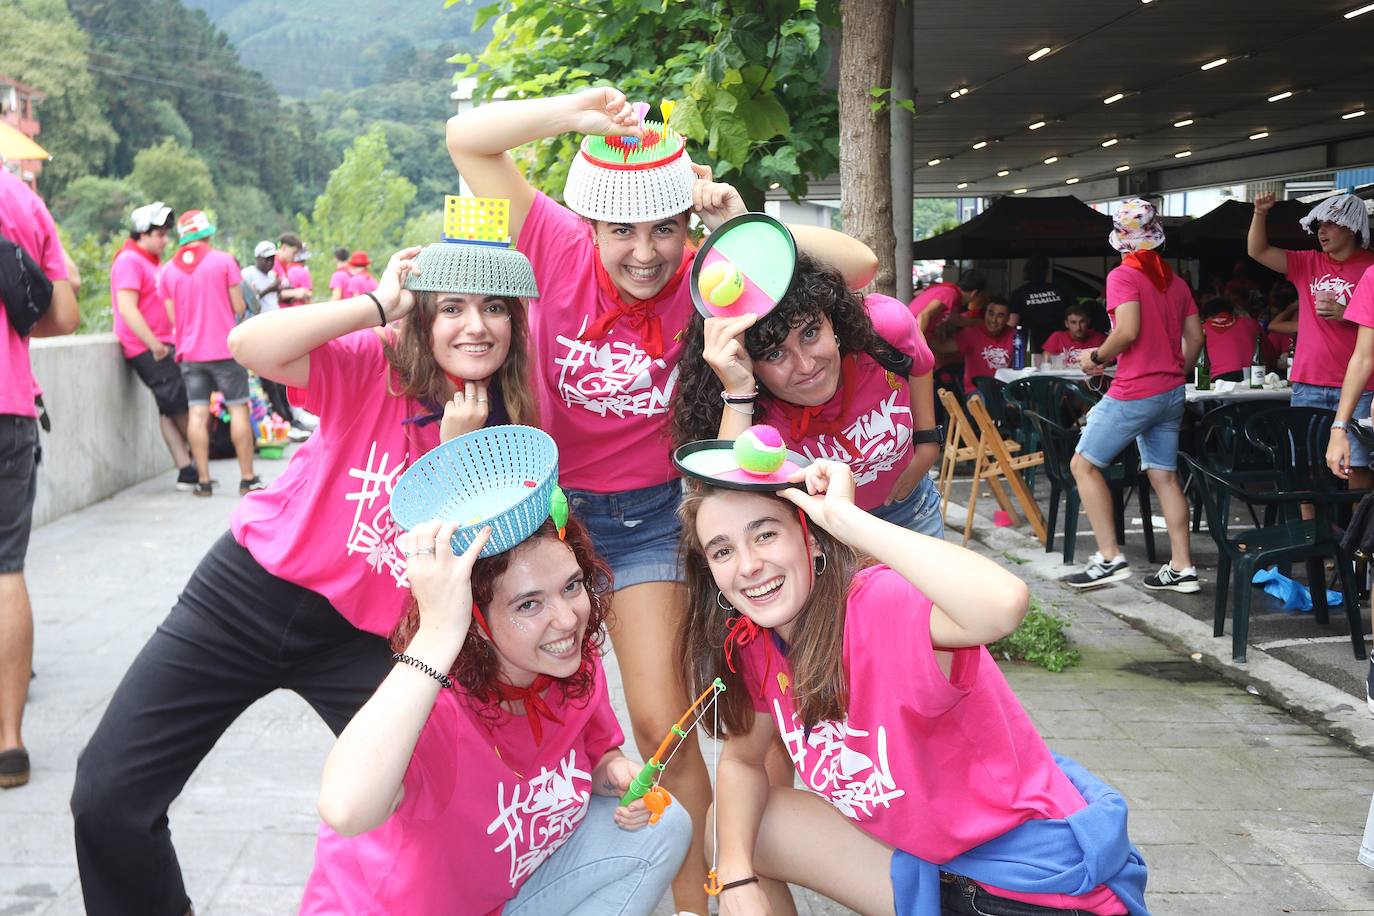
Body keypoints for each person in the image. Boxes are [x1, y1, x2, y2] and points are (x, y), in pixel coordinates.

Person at [446, 85, 877, 915]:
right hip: (550, 514)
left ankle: (695, 902)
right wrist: (575, 114)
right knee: (524, 712)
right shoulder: (546, 239)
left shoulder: (714, 274)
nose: (645, 252)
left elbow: (857, 264)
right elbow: (467, 140)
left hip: (650, 517)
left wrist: (737, 226)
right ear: (591, 226)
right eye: (623, 231)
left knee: (658, 720)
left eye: (664, 228)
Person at [69, 239, 541, 916]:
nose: (475, 325)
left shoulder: (513, 423)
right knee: (107, 796)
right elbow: (249, 344)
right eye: (452, 307)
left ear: (514, 325)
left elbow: (473, 567)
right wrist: (377, 304)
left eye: (494, 308)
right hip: (246, 595)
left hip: (368, 639)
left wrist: (456, 457)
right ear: (421, 317)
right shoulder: (372, 363)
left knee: (436, 800)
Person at [675, 452, 1146, 915]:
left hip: (1029, 885)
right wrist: (736, 881)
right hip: (928, 867)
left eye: (766, 534)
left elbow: (1003, 605)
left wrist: (847, 519)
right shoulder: (759, 641)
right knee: (732, 830)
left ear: (811, 539)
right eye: (723, 550)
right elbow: (741, 761)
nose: (749, 565)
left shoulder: (875, 603)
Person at [302, 503, 690, 914]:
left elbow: (594, 751)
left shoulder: (566, 664)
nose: (566, 619)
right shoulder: (438, 709)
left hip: (499, 896)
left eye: (572, 586)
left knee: (662, 824)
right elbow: (345, 810)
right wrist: (437, 633)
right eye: (529, 605)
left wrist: (609, 768)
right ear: (475, 623)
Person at [674, 255, 944, 537]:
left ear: (833, 321)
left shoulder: (883, 329)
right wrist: (739, 391)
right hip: (824, 538)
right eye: (775, 353)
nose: (806, 366)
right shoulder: (750, 411)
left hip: (911, 513)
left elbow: (919, 363)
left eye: (811, 333)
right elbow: (727, 513)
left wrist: (927, 445)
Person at [1065, 198, 1203, 593]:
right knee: (1164, 475)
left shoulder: (1123, 276)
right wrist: (1177, 369)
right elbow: (1196, 337)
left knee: (1083, 465)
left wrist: (1094, 357)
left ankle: (1109, 557)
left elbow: (1125, 331)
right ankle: (1182, 568)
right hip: (1172, 391)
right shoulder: (1175, 283)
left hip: (1135, 389)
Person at [0, 164, 80, 790]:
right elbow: (63, 314)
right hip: (9, 405)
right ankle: (10, 744)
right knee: (6, 570)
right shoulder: (19, 198)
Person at [1253, 191, 1374, 489]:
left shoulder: (1370, 269)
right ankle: (1311, 533)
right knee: (1305, 466)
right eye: (1319, 224)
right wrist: (1260, 213)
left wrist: (1348, 313)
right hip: (1309, 381)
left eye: (1331, 224)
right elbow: (1258, 251)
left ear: (1353, 227)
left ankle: (1357, 533)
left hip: (1362, 385)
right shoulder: (1307, 263)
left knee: (1357, 468)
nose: (1321, 230)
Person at [158, 209, 262, 496]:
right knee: (238, 407)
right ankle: (247, 478)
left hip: (190, 354)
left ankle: (203, 480)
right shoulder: (223, 261)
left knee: (197, 413)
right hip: (225, 350)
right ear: (207, 233)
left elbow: (171, 318)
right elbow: (239, 307)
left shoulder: (167, 271)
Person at [111, 201, 195, 489]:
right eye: (159, 234)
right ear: (141, 234)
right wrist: (154, 346)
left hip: (161, 344)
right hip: (146, 348)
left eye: (165, 234)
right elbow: (127, 308)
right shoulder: (129, 261)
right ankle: (200, 459)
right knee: (179, 406)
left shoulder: (149, 262)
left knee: (168, 408)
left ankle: (187, 470)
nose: (164, 240)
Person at [1198, 297, 1270, 381]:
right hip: (1253, 377)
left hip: (1218, 381)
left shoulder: (1200, 329)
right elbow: (1270, 357)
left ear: (1205, 316)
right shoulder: (1251, 323)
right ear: (1233, 312)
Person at [954, 295, 1013, 395]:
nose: (994, 320)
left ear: (1008, 319)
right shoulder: (972, 333)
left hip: (1005, 392)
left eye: (1000, 316)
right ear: (984, 314)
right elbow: (944, 347)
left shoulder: (1015, 336)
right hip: (977, 392)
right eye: (991, 313)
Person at [1008, 255, 1069, 350]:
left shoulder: (1019, 293)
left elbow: (1012, 324)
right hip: (1054, 346)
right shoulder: (1059, 290)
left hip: (1033, 347)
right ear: (1046, 271)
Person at [908, 268, 986, 333]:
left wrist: (980, 322)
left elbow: (958, 320)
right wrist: (918, 345)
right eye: (980, 296)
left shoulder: (952, 294)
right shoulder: (950, 294)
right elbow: (924, 315)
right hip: (909, 332)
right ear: (974, 293)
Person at [1041, 301, 1107, 367]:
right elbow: (1046, 360)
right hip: (1063, 376)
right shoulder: (1057, 337)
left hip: (1092, 375)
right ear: (1066, 323)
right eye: (1073, 322)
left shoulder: (1099, 338)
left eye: (1082, 322)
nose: (1078, 327)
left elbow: (1110, 360)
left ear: (1088, 321)